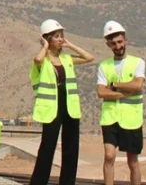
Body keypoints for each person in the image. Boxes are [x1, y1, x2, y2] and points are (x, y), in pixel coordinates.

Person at [28, 19, 95, 185]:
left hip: (69, 107)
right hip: (51, 108)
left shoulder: (66, 59)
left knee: (71, 148)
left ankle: (67, 182)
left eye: (61, 36)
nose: (60, 39)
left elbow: (89, 58)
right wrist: (44, 47)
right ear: (47, 39)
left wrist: (70, 45)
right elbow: (37, 61)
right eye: (57, 36)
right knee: (47, 147)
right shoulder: (42, 61)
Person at [96, 21, 145, 185]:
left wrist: (115, 86)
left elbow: (138, 85)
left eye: (120, 42)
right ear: (108, 45)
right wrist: (126, 92)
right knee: (109, 156)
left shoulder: (138, 63)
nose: (117, 46)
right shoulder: (104, 66)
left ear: (125, 40)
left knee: (132, 161)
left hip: (131, 119)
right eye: (113, 43)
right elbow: (101, 92)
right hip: (110, 117)